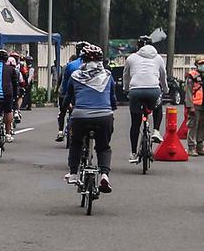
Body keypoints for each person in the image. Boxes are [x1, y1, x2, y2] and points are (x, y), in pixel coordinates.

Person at [63, 44, 115, 194]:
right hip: (104, 116)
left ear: (82, 60)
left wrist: (64, 109)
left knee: (76, 142)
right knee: (104, 147)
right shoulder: (108, 75)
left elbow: (68, 97)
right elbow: (112, 98)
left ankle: (73, 173)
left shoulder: (75, 75)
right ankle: (104, 174)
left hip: (80, 116)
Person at [123, 35, 168, 163]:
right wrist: (165, 89)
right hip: (153, 90)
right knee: (158, 108)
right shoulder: (158, 58)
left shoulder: (131, 58)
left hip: (135, 91)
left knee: (135, 123)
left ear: (138, 46)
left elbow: (126, 76)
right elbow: (163, 76)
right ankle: (156, 131)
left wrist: (126, 89)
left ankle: (133, 153)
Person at [56, 42, 87, 142]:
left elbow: (64, 82)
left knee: (62, 112)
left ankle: (60, 131)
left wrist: (62, 93)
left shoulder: (70, 65)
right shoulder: (94, 66)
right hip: (84, 96)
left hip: (69, 93)